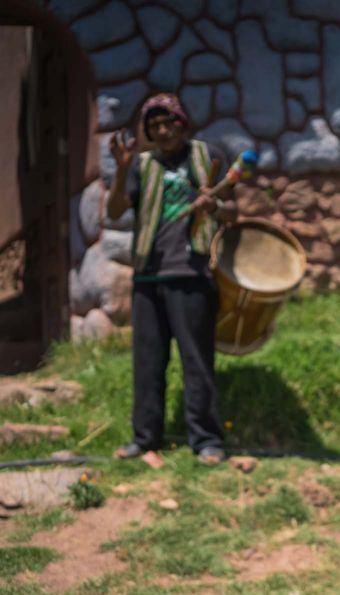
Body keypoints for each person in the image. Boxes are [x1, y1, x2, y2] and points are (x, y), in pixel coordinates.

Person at [106, 93, 236, 465]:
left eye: (169, 123)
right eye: (154, 126)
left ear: (183, 122)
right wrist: (120, 169)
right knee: (148, 363)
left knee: (197, 361)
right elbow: (115, 212)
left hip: (193, 274)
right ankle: (146, 439)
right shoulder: (140, 165)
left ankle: (207, 440)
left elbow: (234, 211)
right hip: (148, 276)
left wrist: (215, 206)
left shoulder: (208, 158)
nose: (162, 131)